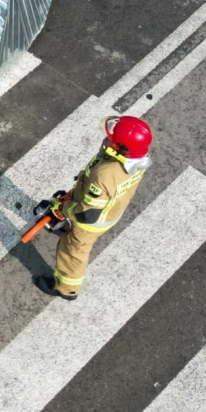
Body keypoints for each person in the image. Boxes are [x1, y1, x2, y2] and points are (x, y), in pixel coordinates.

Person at [35, 115, 152, 301]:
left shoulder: (104, 174)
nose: (105, 139)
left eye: (110, 140)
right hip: (109, 208)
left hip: (90, 223)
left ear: (121, 149)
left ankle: (66, 288)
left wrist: (64, 209)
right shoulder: (137, 159)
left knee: (73, 250)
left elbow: (87, 214)